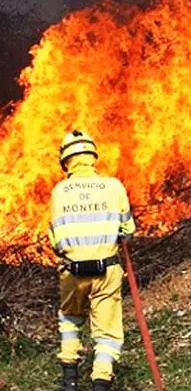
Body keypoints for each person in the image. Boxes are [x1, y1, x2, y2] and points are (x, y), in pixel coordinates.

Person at [48, 130, 136, 391]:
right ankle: (101, 382)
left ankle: (69, 380)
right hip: (106, 271)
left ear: (66, 161)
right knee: (107, 332)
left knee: (70, 321)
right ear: (92, 157)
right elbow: (128, 231)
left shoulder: (59, 191)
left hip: (71, 272)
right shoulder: (114, 186)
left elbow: (55, 239)